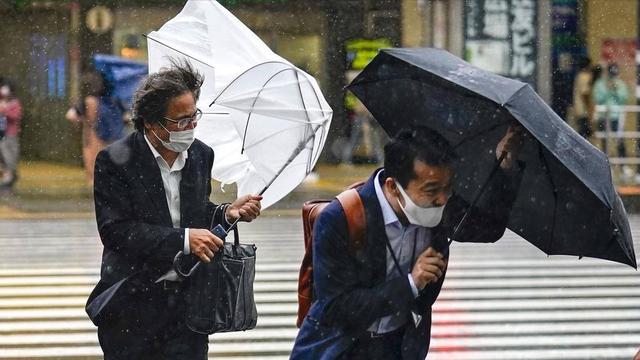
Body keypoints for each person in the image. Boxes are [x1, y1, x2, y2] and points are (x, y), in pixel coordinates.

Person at [291, 125, 524, 359]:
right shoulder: (342, 217)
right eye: (431, 189)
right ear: (393, 186)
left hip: (399, 347)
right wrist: (411, 283)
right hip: (341, 349)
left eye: (448, 188)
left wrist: (504, 167)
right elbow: (337, 308)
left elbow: (488, 228)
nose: (442, 199)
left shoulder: (442, 209)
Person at [86, 61, 263, 360]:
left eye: (194, 117)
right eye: (181, 121)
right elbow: (116, 231)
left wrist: (226, 214)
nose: (191, 127)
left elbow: (194, 213)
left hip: (188, 310)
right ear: (152, 123)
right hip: (132, 308)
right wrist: (183, 239)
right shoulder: (115, 161)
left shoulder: (200, 155)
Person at [65, 72, 109, 187]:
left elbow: (71, 115)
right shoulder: (107, 100)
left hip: (91, 134)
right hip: (106, 134)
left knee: (91, 161)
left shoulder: (89, 100)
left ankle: (94, 186)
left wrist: (80, 118)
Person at [593, 63, 630, 178]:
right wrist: (607, 90)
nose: (613, 76)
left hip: (616, 116)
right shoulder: (600, 83)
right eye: (611, 74)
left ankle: (623, 167)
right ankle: (607, 168)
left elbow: (624, 98)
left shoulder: (620, 84)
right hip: (603, 116)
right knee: (605, 143)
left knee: (620, 142)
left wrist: (615, 90)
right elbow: (597, 98)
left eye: (615, 74)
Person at [0, 79, 23, 189]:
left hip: (11, 133)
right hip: (2, 132)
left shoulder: (15, 103)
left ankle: (11, 174)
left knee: (11, 155)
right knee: (4, 155)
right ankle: (8, 175)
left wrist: (4, 111)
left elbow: (16, 116)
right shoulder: (2, 101)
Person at [572, 56, 593, 139]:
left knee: (582, 132)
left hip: (578, 109)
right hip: (583, 110)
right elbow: (585, 94)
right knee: (584, 134)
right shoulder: (584, 76)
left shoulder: (579, 75)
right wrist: (589, 109)